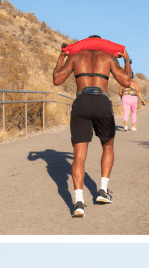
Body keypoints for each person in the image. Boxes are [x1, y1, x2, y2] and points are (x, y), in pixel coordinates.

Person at [53, 35, 132, 218]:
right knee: (108, 146)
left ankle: (78, 202)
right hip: (101, 103)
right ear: (101, 44)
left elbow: (57, 80)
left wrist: (61, 57)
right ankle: (102, 191)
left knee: (79, 155)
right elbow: (126, 81)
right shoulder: (107, 57)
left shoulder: (75, 57)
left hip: (81, 102)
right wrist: (127, 59)